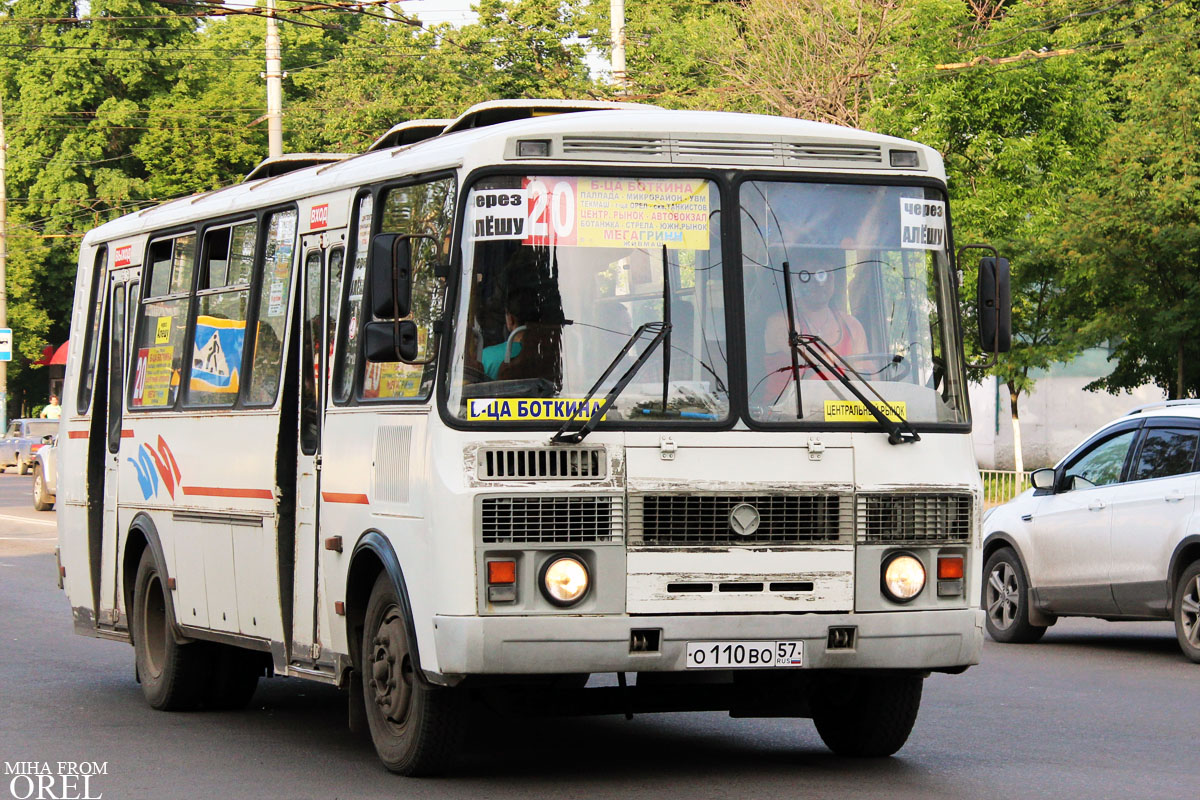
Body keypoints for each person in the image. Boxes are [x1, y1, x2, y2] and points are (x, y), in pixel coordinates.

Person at [760, 253, 867, 402]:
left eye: (825, 275)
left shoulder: (852, 326)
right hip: (785, 418)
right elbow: (813, 359)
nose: (820, 283)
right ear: (795, 280)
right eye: (809, 275)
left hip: (839, 416)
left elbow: (867, 378)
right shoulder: (782, 322)